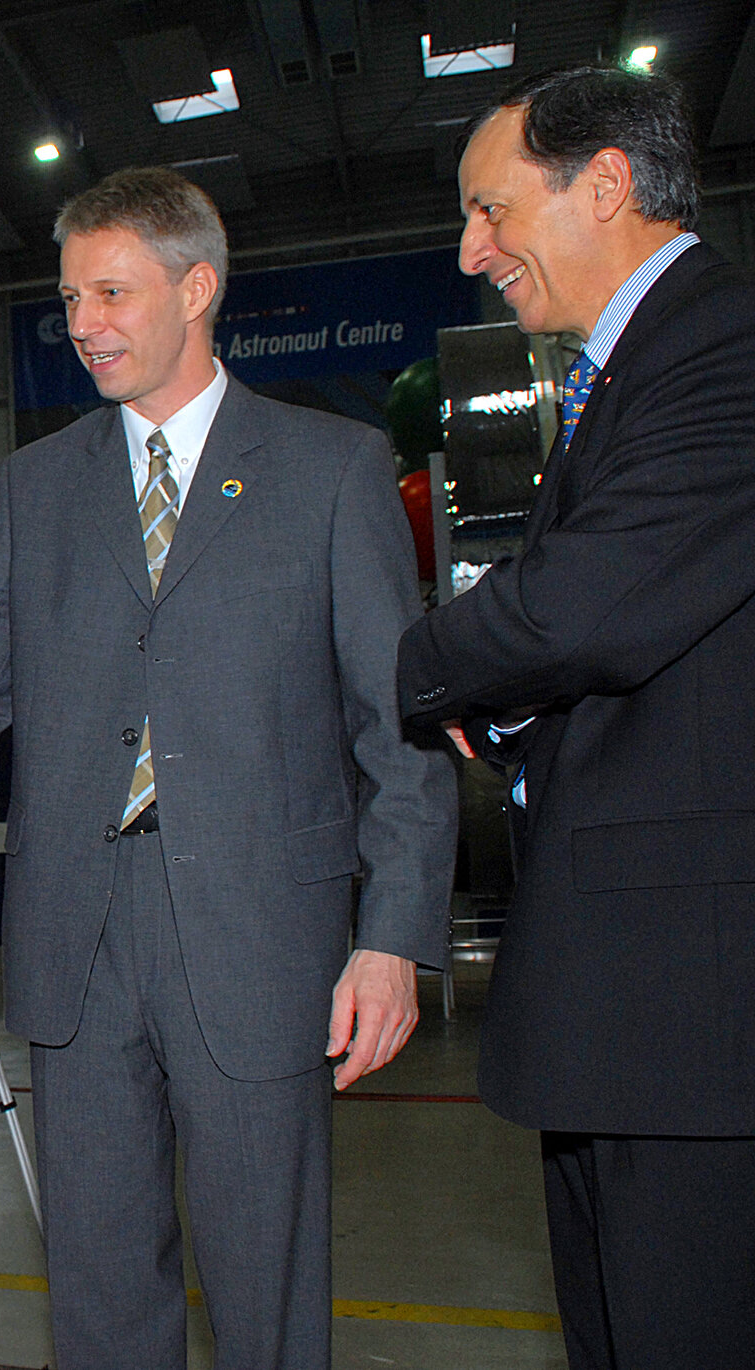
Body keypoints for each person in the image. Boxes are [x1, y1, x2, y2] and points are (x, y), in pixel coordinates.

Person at [0, 167, 456, 1369]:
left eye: (112, 292)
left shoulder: (331, 470)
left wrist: (391, 936)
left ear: (198, 288)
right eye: (70, 298)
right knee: (100, 1282)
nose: (83, 323)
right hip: (78, 931)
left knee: (264, 1282)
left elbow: (395, 724)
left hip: (259, 931)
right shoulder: (39, 484)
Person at [396, 66, 755, 1370]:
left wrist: (416, 668)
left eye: (491, 210)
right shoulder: (633, 376)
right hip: (633, 1006)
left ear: (605, 184)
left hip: (691, 1018)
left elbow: (582, 610)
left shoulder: (719, 347)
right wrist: (501, 723)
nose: (470, 248)